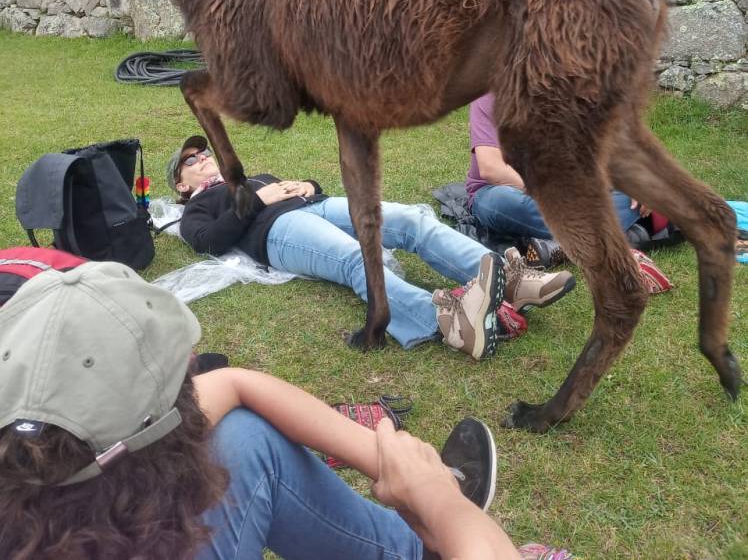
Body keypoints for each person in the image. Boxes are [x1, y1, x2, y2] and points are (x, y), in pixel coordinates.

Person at [0, 260, 524, 559]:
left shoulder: (42, 452)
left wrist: (391, 462)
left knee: (243, 438)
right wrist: (438, 499)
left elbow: (234, 385)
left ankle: (411, 551)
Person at [167, 135, 577, 361]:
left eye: (205, 152)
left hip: (316, 207)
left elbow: (312, 189)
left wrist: (307, 186)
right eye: (192, 159)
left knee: (412, 222)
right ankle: (447, 323)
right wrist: (259, 201)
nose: (203, 157)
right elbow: (208, 242)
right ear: (181, 185)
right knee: (355, 258)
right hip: (277, 232)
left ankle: (507, 280)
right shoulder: (197, 208)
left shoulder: (253, 176)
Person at [467, 93, 679, 283]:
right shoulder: (487, 98)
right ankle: (627, 233)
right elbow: (491, 169)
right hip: (503, 191)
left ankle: (564, 247)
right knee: (504, 202)